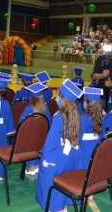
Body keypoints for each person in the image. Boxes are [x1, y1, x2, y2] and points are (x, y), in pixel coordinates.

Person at [36, 79, 83, 212]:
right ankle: (62, 207)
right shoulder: (76, 116)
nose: (56, 98)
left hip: (58, 159)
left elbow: (50, 145)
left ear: (63, 99)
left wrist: (45, 160)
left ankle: (55, 208)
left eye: (58, 96)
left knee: (47, 177)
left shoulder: (58, 118)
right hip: (72, 157)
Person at [19, 82, 52, 175]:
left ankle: (32, 167)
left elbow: (21, 124)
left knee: (30, 139)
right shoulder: (46, 108)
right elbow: (49, 123)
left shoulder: (28, 109)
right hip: (43, 137)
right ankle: (37, 165)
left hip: (29, 138)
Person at [80, 87, 104, 169]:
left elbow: (77, 137)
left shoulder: (83, 118)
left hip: (83, 152)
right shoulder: (102, 117)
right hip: (97, 151)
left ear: (87, 102)